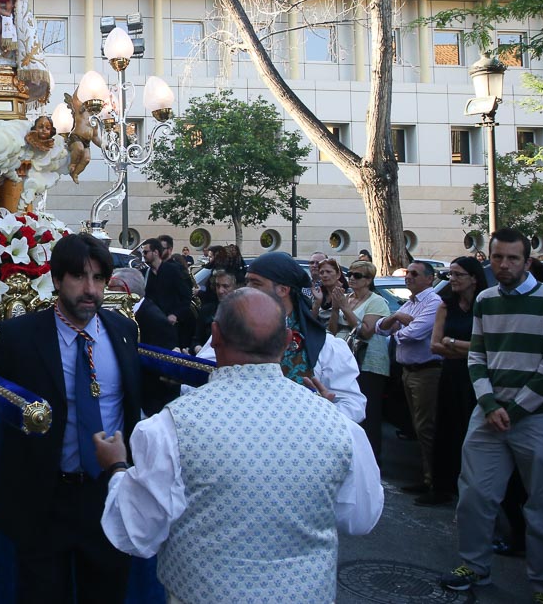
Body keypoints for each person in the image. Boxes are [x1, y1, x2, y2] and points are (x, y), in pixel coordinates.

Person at [96, 288, 383, 602]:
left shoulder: (171, 427)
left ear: (215, 335)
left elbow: (136, 531)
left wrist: (117, 468)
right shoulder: (340, 427)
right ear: (288, 341)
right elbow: (360, 517)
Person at [0, 233, 144, 604]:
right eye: (80, 277)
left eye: (99, 279)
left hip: (109, 496)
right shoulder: (20, 336)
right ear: (57, 279)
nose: (90, 289)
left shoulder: (123, 331)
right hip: (43, 500)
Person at [439, 229, 543, 598]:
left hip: (541, 417)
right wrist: (490, 404)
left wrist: (515, 408)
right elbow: (477, 356)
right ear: (489, 259)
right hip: (490, 413)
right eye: (498, 258)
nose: (504, 265)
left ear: (528, 261)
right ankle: (474, 567)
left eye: (512, 258)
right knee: (475, 495)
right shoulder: (485, 300)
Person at [199, 252, 366, 423]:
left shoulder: (325, 345)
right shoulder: (230, 332)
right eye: (247, 282)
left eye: (256, 283)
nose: (247, 290)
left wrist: (323, 411)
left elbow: (353, 405)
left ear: (283, 290)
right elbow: (197, 379)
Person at [374, 261, 444, 500]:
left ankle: (435, 482)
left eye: (415, 274)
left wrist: (399, 324)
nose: (409, 278)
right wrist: (398, 317)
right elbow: (382, 329)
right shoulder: (410, 304)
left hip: (426, 371)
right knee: (417, 426)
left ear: (430, 278)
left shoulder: (433, 302)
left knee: (427, 428)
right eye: (408, 273)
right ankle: (427, 477)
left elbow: (411, 334)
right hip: (408, 371)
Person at [427, 255, 489, 506]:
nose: (452, 279)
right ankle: (443, 486)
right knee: (447, 429)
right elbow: (434, 345)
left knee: (472, 432)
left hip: (477, 377)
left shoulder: (485, 305)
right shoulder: (445, 306)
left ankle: (474, 488)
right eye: (450, 274)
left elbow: (488, 349)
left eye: (458, 274)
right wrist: (469, 347)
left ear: (474, 278)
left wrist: (452, 343)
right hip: (452, 374)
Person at [109, 267, 179, 414]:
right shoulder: (120, 314)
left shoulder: (155, 319)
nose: (106, 293)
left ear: (123, 290)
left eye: (110, 288)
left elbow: (163, 371)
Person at [346, 260, 390, 462]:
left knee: (369, 413)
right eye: (350, 274)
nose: (351, 278)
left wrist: (345, 309)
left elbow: (365, 331)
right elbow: (334, 328)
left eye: (357, 276)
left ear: (369, 280)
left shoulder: (376, 301)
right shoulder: (348, 298)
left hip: (369, 363)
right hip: (348, 362)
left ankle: (373, 459)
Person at [141, 237, 195, 351]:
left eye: (146, 252)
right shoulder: (146, 273)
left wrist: (175, 314)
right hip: (152, 327)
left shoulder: (172, 270)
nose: (143, 255)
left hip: (172, 327)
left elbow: (186, 296)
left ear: (155, 252)